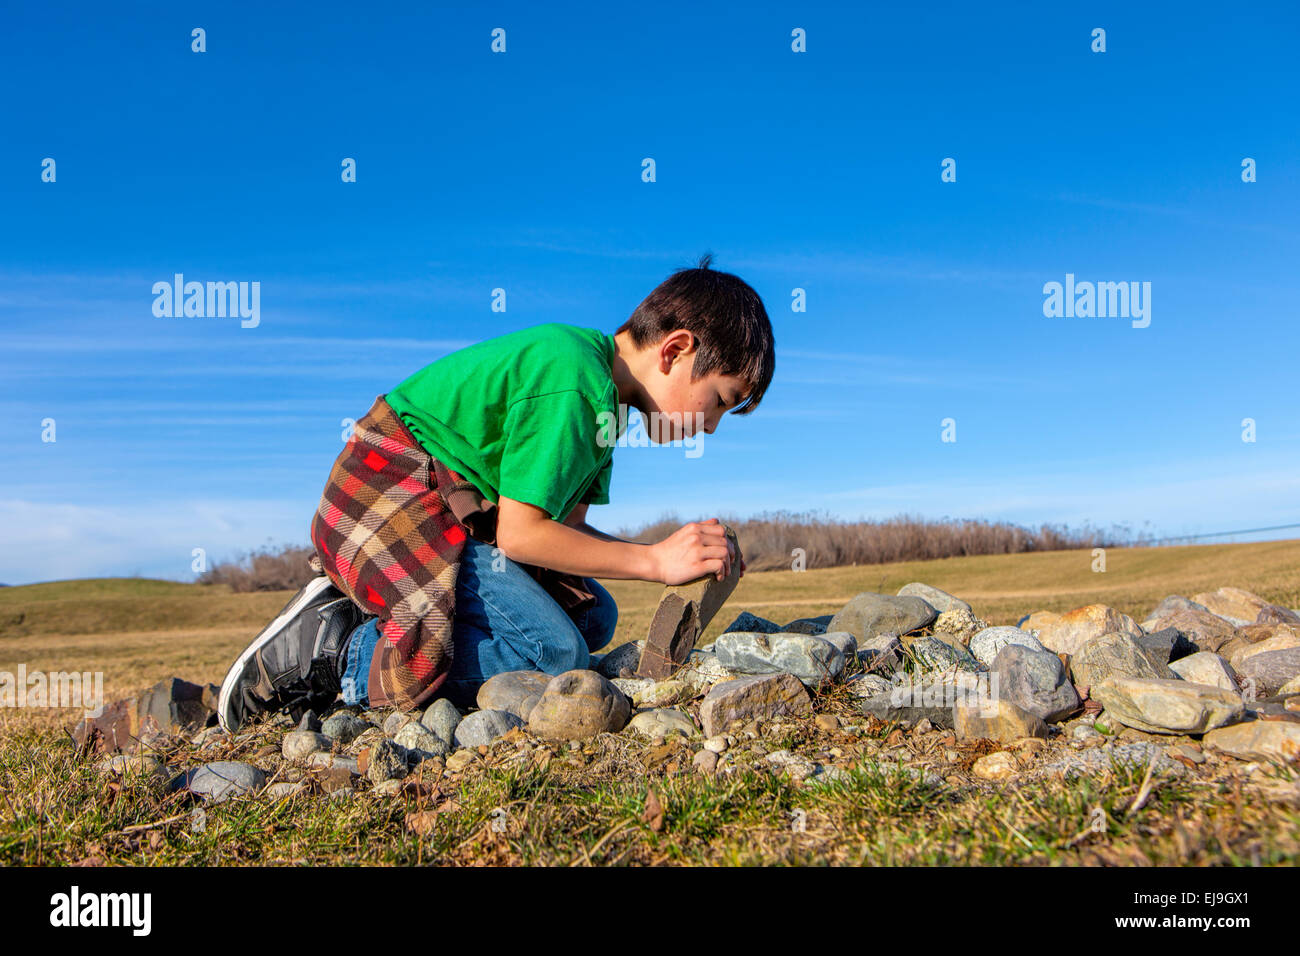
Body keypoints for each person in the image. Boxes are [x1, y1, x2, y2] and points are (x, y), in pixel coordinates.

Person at [217, 253, 775, 731]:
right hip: (392, 492)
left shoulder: (604, 405)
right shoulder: (575, 376)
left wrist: (673, 553)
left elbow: (564, 531)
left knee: (593, 615)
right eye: (721, 400)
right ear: (676, 350)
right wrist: (654, 562)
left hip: (451, 508)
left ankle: (387, 619)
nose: (711, 426)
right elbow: (521, 533)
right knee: (553, 653)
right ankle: (336, 647)